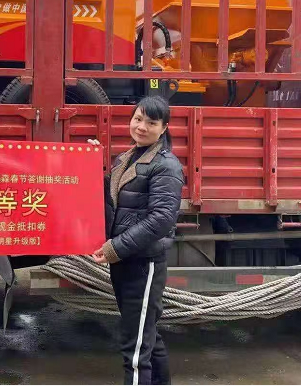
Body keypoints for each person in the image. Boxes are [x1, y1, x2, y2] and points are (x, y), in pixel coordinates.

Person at [90, 95, 184, 385]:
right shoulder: (126, 158)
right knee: (147, 336)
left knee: (135, 347)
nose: (142, 127)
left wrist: (115, 247)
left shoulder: (166, 165)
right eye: (138, 119)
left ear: (164, 127)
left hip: (143, 264)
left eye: (151, 122)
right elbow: (113, 201)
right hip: (125, 261)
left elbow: (161, 219)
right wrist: (90, 163)